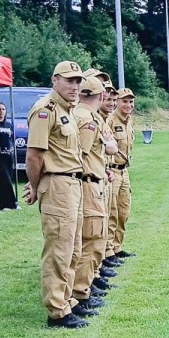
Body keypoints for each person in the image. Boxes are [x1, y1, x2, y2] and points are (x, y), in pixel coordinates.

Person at [25, 60, 86, 328]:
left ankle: (66, 300)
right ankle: (57, 311)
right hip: (58, 185)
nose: (75, 86)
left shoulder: (67, 110)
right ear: (55, 80)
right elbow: (34, 156)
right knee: (58, 250)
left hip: (72, 184)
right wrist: (36, 186)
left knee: (73, 248)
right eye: (69, 80)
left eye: (78, 81)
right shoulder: (44, 110)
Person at [70, 76, 116, 315]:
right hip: (88, 184)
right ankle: (80, 293)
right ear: (99, 97)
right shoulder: (87, 119)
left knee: (89, 238)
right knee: (92, 238)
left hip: (89, 181)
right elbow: (83, 155)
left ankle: (83, 287)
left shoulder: (79, 115)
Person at [105, 88, 135, 262]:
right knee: (112, 211)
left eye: (131, 102)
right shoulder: (109, 120)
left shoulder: (129, 121)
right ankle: (108, 251)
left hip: (124, 171)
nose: (128, 105)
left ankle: (117, 247)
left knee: (124, 211)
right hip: (112, 170)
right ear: (116, 102)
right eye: (124, 101)